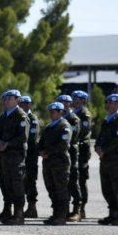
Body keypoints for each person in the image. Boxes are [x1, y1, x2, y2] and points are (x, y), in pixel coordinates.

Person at [0, 90, 29, 225]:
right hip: (3, 157)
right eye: (4, 98)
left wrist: (7, 144)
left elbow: (23, 137)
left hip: (15, 156)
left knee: (17, 185)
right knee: (5, 184)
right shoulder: (1, 118)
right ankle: (7, 211)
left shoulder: (21, 116)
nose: (5, 100)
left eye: (9, 98)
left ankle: (19, 214)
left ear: (17, 100)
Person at [95, 94, 118, 226]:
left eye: (114, 103)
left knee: (117, 188)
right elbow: (101, 135)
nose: (110, 105)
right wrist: (97, 146)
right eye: (109, 102)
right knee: (106, 188)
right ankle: (112, 214)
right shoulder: (107, 119)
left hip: (114, 158)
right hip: (105, 158)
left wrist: (104, 150)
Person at [38, 102, 72, 225]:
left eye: (53, 111)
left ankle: (62, 216)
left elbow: (64, 145)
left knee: (61, 189)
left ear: (60, 112)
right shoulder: (49, 126)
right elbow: (41, 142)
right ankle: (55, 214)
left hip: (60, 163)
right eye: (50, 111)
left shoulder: (64, 126)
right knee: (51, 189)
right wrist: (41, 151)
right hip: (48, 163)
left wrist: (48, 152)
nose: (51, 114)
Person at [69, 90, 93, 221]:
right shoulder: (73, 113)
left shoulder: (85, 114)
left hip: (82, 150)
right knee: (73, 179)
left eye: (77, 98)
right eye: (73, 98)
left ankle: (81, 209)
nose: (74, 100)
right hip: (74, 150)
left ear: (84, 100)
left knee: (81, 180)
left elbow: (84, 133)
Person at [56, 94, 81, 218]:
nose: (65, 105)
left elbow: (73, 136)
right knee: (61, 181)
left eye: (67, 103)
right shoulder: (57, 119)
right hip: (59, 154)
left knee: (72, 180)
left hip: (70, 152)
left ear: (70, 104)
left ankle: (77, 209)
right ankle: (63, 209)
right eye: (62, 102)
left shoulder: (73, 118)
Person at [19, 96, 40, 218]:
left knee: (30, 181)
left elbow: (31, 137)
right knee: (21, 181)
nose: (25, 105)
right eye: (22, 103)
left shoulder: (32, 118)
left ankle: (32, 207)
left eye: (27, 103)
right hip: (22, 154)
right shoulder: (20, 116)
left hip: (31, 155)